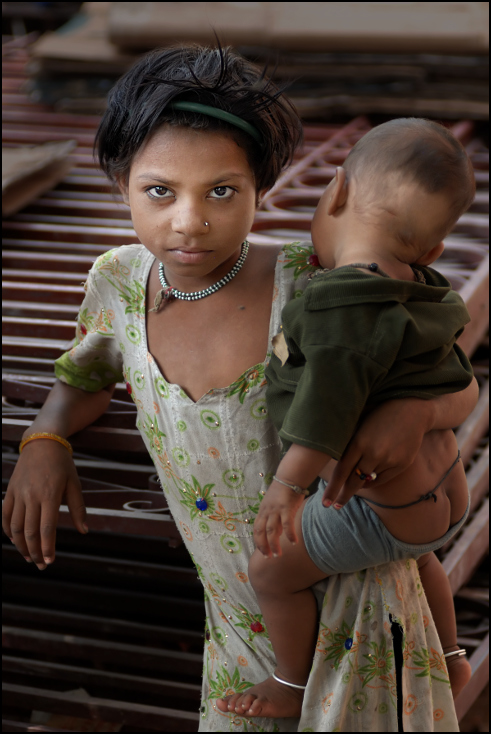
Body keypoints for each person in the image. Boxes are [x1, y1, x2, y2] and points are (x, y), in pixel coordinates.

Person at [2, 46, 478, 732]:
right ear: (119, 183)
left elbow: (452, 382)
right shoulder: (117, 282)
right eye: (159, 191)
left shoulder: (310, 284)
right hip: (237, 625)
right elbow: (86, 372)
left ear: (263, 190)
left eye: (220, 192)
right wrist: (45, 437)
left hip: (360, 612)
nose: (188, 221)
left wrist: (419, 411)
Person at [219, 118, 475, 720]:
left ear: (334, 192)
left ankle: (287, 682)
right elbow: (457, 379)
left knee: (271, 570)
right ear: (434, 249)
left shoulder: (339, 302)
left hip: (384, 510)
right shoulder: (421, 289)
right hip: (443, 497)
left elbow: (324, 410)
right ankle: (453, 653)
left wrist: (284, 490)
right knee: (420, 556)